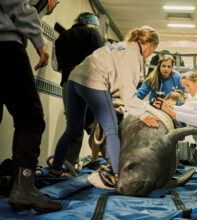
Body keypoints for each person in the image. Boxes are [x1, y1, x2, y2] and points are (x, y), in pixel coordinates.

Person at [49, 26, 160, 186]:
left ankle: (55, 169)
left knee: (71, 130)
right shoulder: (133, 55)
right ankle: (117, 176)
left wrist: (112, 101)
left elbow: (112, 80)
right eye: (154, 49)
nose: (152, 52)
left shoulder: (120, 46)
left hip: (74, 79)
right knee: (112, 129)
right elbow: (128, 93)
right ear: (150, 44)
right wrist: (143, 114)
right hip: (94, 82)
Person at [0, 0, 61, 212]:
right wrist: (39, 43)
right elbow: (15, 4)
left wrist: (39, 8)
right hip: (5, 46)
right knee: (31, 117)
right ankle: (24, 188)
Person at [55, 12, 104, 168]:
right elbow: (103, 57)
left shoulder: (62, 37)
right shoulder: (91, 33)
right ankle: (72, 165)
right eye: (96, 26)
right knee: (92, 124)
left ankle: (61, 167)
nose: (96, 29)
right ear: (91, 24)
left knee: (72, 127)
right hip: (85, 83)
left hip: (67, 83)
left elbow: (60, 64)